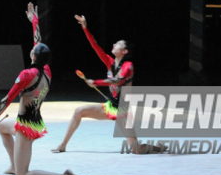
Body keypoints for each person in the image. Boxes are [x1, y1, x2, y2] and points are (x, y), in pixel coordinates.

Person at [0, 3, 87, 175]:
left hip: (26, 126)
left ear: (33, 56)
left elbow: (6, 100)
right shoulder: (47, 71)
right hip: (34, 119)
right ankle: (14, 165)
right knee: (2, 128)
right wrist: (34, 21)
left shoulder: (27, 75)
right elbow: (37, 41)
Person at [52, 14, 160, 154]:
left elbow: (118, 80)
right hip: (110, 107)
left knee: (136, 149)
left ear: (124, 51)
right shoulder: (110, 63)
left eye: (119, 44)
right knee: (79, 111)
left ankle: (158, 147)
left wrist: (95, 82)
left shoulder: (128, 66)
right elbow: (94, 46)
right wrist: (85, 28)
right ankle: (62, 145)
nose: (114, 44)